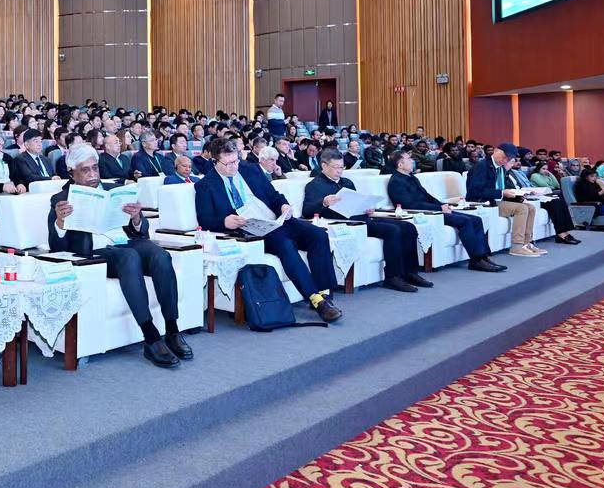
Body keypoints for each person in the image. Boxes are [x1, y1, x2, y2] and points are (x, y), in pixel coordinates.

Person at [50, 145, 191, 368]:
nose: (92, 175)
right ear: (71, 173)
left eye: (95, 168)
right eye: (85, 170)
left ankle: (172, 330)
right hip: (98, 253)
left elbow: (142, 232)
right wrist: (60, 221)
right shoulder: (61, 199)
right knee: (129, 257)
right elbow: (56, 246)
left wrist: (136, 218)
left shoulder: (114, 189)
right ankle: (151, 337)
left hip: (127, 242)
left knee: (161, 255)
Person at [195, 140, 342, 322]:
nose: (234, 167)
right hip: (251, 230)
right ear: (215, 161)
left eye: (236, 161)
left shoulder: (250, 170)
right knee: (285, 244)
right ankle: (316, 300)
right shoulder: (205, 185)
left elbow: (273, 195)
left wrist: (283, 206)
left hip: (276, 220)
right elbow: (205, 219)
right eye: (228, 163)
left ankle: (324, 292)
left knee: (318, 234)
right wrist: (224, 221)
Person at [303, 149, 431, 292]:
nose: (340, 171)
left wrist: (365, 207)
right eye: (336, 167)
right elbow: (306, 212)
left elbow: (356, 201)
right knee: (392, 230)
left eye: (342, 167)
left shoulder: (347, 182)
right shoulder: (314, 185)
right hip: (345, 224)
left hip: (362, 218)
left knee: (408, 227)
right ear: (324, 166)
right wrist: (323, 202)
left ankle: (411, 272)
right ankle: (393, 277)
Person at [385, 151, 506, 273]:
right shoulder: (396, 181)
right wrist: (438, 208)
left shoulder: (412, 177)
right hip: (424, 214)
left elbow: (427, 196)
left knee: (476, 220)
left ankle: (483, 257)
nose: (412, 161)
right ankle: (476, 260)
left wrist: (442, 205)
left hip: (434, 209)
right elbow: (409, 205)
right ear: (400, 165)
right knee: (465, 221)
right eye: (408, 159)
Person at [466, 143, 543, 257]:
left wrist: (517, 195)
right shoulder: (482, 166)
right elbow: (475, 192)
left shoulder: (500, 168)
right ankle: (517, 246)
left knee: (530, 207)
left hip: (496, 200)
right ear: (496, 151)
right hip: (482, 202)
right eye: (505, 157)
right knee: (521, 209)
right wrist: (502, 193)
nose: (506, 160)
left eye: (509, 158)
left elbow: (502, 188)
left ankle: (527, 243)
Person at [508, 164, 579, 245]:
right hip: (524, 196)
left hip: (532, 193)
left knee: (560, 201)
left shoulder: (518, 173)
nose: (546, 170)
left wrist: (551, 175)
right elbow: (546, 186)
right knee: (554, 203)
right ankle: (560, 233)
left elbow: (557, 185)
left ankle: (566, 231)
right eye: (543, 168)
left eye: (547, 169)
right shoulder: (534, 175)